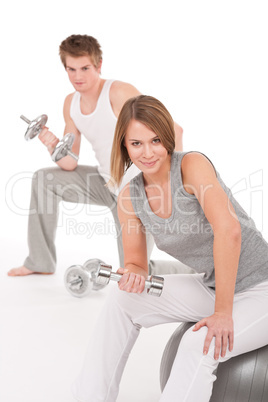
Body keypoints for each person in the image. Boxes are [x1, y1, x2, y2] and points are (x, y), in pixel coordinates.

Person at [71, 95, 268, 402]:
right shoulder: (129, 196)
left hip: (261, 288)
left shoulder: (191, 166)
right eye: (136, 144)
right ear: (124, 145)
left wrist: (222, 313)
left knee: (199, 344)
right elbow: (136, 261)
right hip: (213, 286)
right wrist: (134, 274)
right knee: (123, 297)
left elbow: (229, 231)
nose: (147, 153)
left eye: (155, 140)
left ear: (167, 138)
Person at [8, 34, 189, 277]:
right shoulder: (70, 103)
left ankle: (194, 271)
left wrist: (166, 187)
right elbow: (70, 162)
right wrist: (51, 144)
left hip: (137, 190)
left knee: (134, 272)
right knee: (44, 180)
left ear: (99, 65)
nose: (77, 76)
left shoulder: (118, 92)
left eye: (85, 68)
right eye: (71, 69)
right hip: (106, 182)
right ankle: (40, 261)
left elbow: (174, 130)